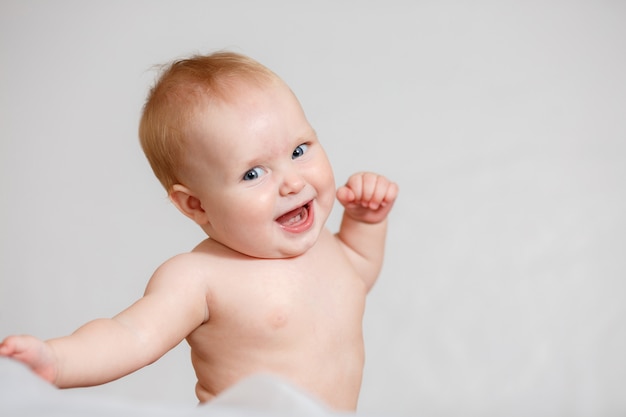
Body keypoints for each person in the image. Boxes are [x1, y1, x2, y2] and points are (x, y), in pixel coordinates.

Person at [0, 51, 398, 411]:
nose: (292, 182)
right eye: (253, 173)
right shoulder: (200, 277)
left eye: (298, 151)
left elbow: (355, 276)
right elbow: (131, 335)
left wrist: (364, 223)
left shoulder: (326, 249)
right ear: (196, 204)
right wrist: (57, 360)